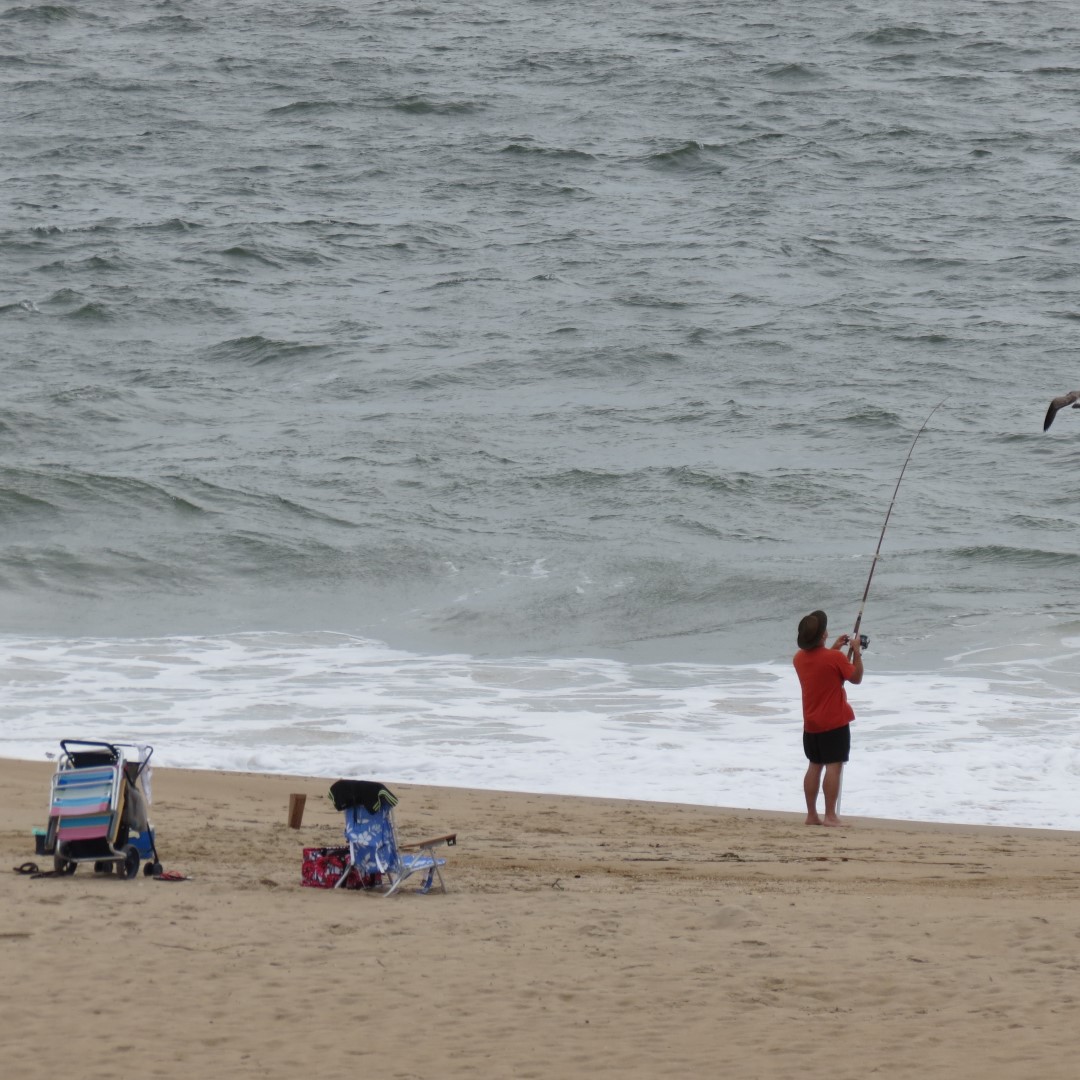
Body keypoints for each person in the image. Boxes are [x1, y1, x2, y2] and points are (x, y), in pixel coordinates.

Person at [792, 609, 863, 827]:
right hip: (834, 723)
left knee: (814, 765)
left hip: (811, 724)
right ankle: (830, 816)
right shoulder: (835, 658)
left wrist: (835, 648)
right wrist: (857, 653)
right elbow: (856, 678)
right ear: (823, 635)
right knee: (834, 766)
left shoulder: (799, 659)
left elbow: (821, 665)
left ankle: (812, 815)